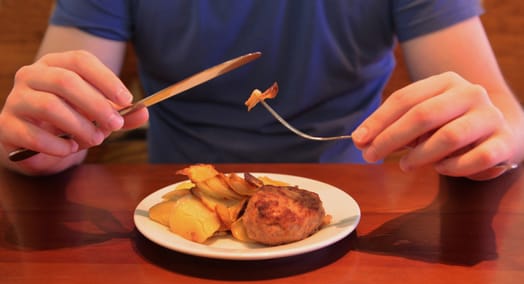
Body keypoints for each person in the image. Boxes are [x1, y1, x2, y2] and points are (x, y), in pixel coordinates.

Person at [0, 0, 522, 180]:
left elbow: (502, 116)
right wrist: (39, 135)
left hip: (353, 213)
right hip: (174, 203)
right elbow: (51, 124)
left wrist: (488, 136)